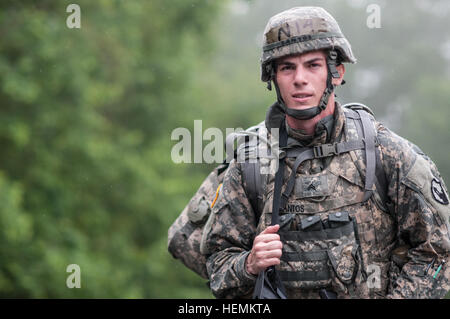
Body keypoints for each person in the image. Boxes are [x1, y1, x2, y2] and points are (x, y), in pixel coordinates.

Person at [200, 6, 450, 299]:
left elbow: (437, 252)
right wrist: (249, 264)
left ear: (336, 72)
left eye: (313, 65)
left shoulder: (386, 154)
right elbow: (217, 265)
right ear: (273, 78)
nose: (300, 79)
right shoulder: (251, 164)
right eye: (287, 67)